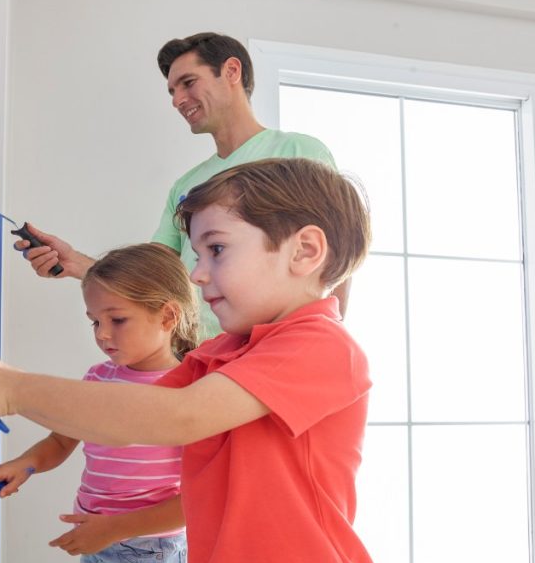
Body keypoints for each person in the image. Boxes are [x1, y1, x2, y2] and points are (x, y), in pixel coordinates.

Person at [0, 158, 385, 563]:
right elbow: (127, 408)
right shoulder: (229, 350)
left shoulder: (320, 346)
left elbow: (176, 417)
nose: (197, 272)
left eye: (217, 249)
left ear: (306, 251)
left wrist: (12, 390)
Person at [18, 31, 347, 339]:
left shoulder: (298, 153)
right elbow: (155, 275)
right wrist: (77, 262)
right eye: (172, 91)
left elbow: (340, 253)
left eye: (188, 83)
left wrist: (328, 336)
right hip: (199, 355)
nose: (178, 100)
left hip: (280, 346)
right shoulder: (186, 186)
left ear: (232, 71)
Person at [0, 243, 201, 563]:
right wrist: (23, 463)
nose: (101, 334)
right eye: (95, 321)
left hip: (149, 552)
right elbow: (61, 441)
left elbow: (194, 504)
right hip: (95, 543)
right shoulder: (98, 378)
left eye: (117, 320)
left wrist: (112, 530)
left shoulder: (192, 391)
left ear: (168, 317)